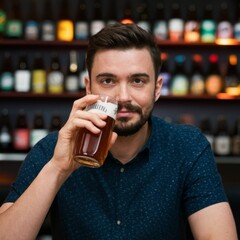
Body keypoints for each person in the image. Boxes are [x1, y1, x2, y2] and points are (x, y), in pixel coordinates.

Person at [0, 23, 238, 240]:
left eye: (137, 81)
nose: (123, 97)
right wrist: (57, 168)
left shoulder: (187, 146)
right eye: (107, 81)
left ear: (156, 89)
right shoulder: (52, 150)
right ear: (88, 87)